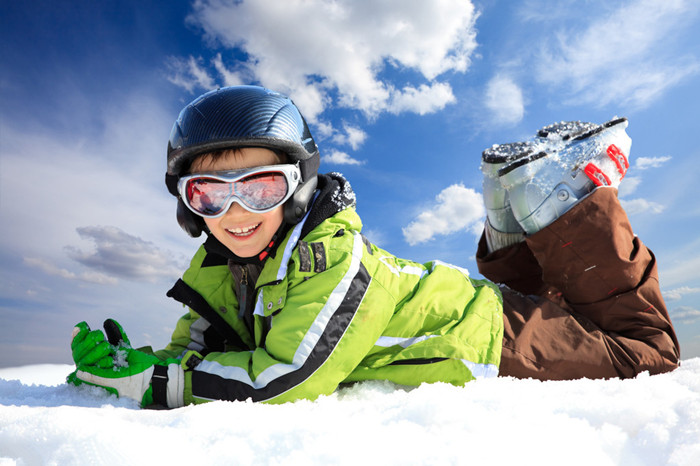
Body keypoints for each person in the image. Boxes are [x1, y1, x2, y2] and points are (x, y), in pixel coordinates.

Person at [68, 86, 680, 408]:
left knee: (647, 351)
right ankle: (514, 197)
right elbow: (201, 346)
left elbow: (289, 378)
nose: (234, 214)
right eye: (208, 193)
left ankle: (566, 189)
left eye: (259, 187)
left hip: (493, 339)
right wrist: (139, 364)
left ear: (299, 186)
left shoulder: (329, 259)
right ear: (187, 203)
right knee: (546, 293)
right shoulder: (216, 270)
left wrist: (157, 385)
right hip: (474, 306)